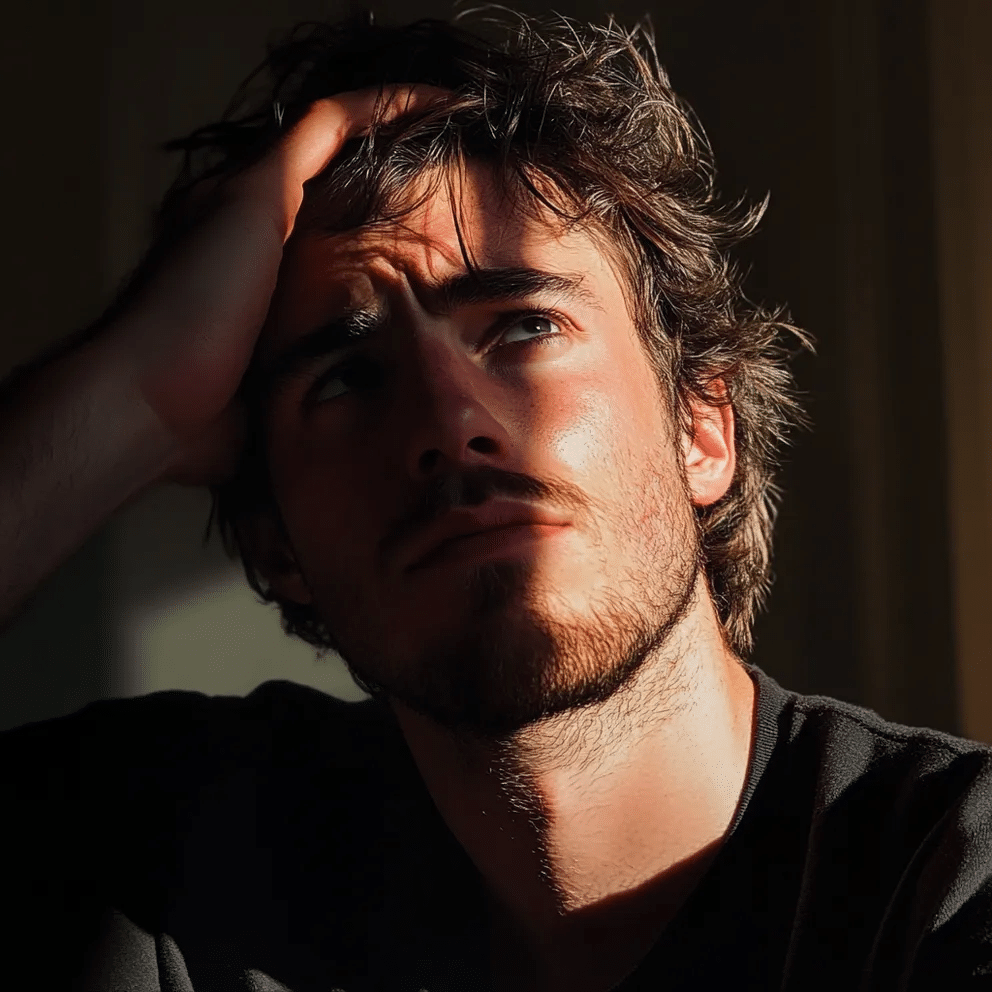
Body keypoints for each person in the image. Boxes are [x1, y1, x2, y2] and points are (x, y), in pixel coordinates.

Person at [1, 9, 990, 991]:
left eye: (522, 326)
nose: (448, 420)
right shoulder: (162, 858)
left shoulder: (950, 877)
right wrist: (132, 397)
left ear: (700, 429)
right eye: (347, 379)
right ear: (276, 545)